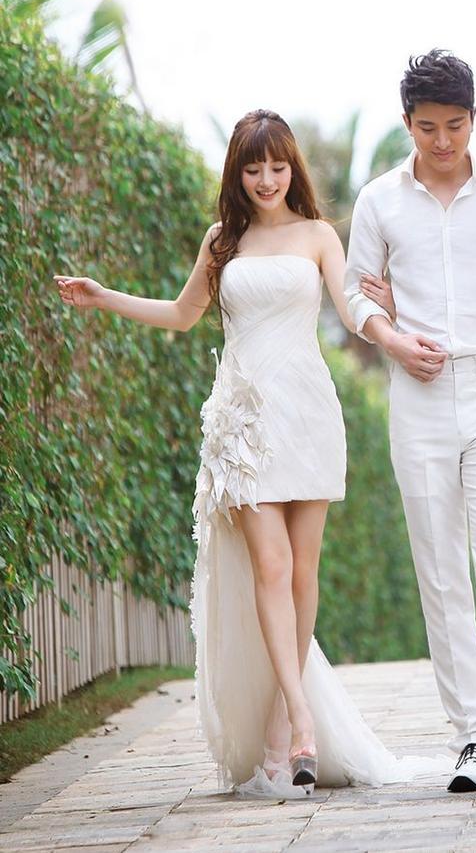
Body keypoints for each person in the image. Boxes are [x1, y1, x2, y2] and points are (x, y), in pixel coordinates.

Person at [53, 109, 447, 798]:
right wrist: (104, 297)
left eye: (278, 166)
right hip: (244, 425)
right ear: (237, 173)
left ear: (293, 169)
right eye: (253, 167)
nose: (266, 180)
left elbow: (354, 312)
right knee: (271, 564)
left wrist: (396, 321)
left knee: (302, 574)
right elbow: (183, 314)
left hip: (309, 413)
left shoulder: (318, 235)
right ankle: (301, 717)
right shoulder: (222, 240)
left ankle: (279, 728)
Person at [347, 50, 476, 793]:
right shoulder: (379, 200)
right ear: (408, 122)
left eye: (456, 125)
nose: (443, 141)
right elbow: (356, 295)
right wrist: (395, 340)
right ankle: (472, 734)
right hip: (419, 398)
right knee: (440, 568)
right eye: (429, 127)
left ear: (474, 118)